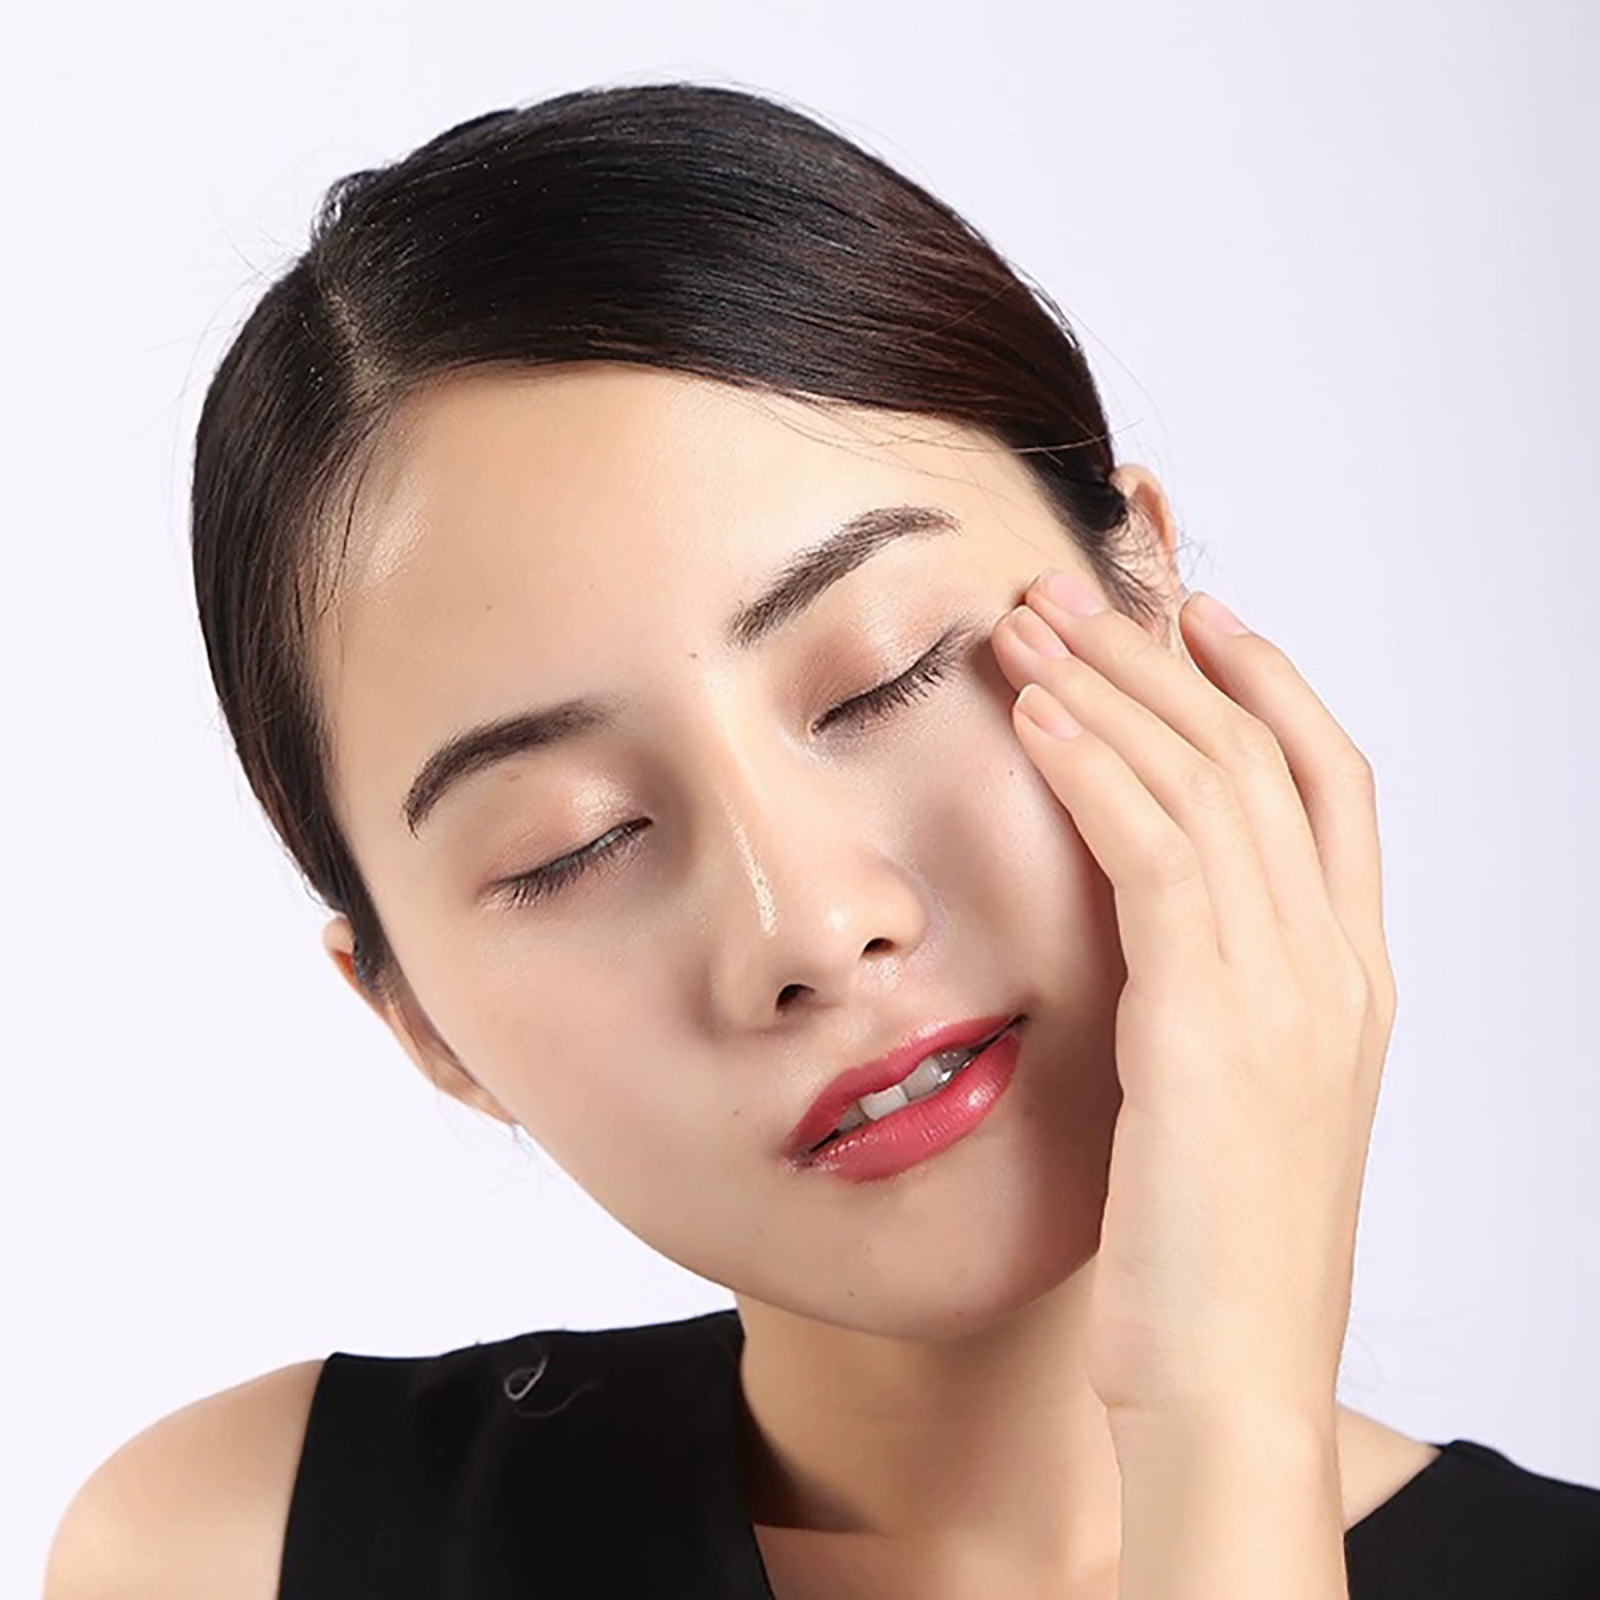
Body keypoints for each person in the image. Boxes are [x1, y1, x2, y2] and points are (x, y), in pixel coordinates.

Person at [44, 81, 1600, 1600]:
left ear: (1146, 600)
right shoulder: (235, 1556)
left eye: (887, 676)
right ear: (418, 1021)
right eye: (570, 845)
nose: (807, 924)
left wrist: (1228, 1420)